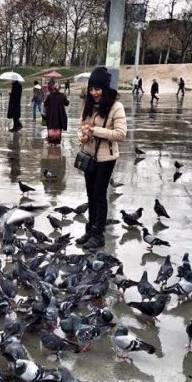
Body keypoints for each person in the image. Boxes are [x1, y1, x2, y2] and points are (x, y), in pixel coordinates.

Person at [77, 66, 127, 250]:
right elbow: (82, 125)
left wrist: (95, 131)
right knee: (90, 194)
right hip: (89, 155)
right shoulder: (88, 103)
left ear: (105, 88)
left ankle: (99, 235)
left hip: (106, 158)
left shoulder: (116, 106)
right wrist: (82, 136)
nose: (94, 92)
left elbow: (121, 134)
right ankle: (91, 229)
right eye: (91, 88)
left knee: (99, 194)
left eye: (97, 89)